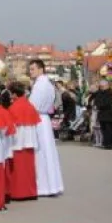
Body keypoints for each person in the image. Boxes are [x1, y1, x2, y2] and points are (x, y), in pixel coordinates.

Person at [28, 60, 65, 196]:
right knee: (48, 152)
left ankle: (43, 186)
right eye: (30, 69)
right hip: (44, 119)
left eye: (33, 69)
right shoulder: (48, 84)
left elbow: (32, 106)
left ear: (41, 69)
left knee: (41, 152)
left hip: (38, 118)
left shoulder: (40, 85)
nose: (30, 72)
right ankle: (52, 184)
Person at [7, 81, 40, 201]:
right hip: (30, 141)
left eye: (11, 94)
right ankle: (31, 192)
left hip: (17, 141)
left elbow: (11, 127)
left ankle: (18, 193)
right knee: (29, 168)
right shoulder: (30, 106)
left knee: (18, 169)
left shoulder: (13, 107)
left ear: (15, 94)